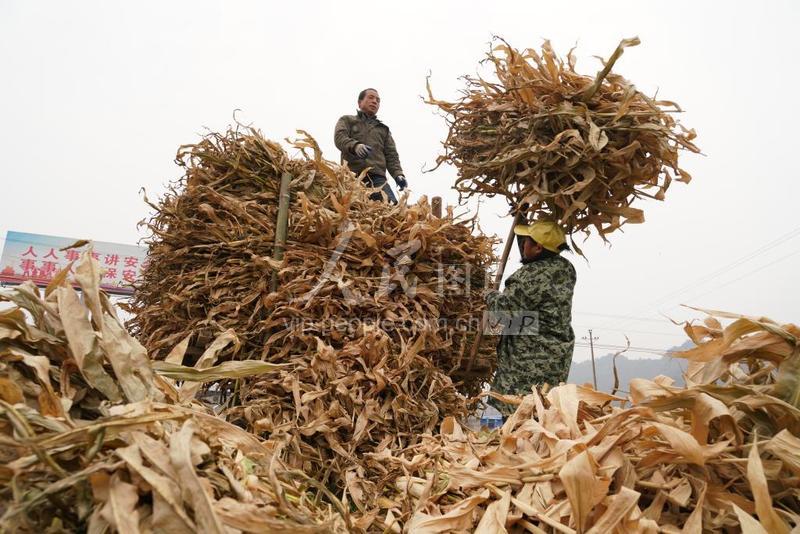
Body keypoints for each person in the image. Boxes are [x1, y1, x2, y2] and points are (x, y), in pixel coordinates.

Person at [485, 221, 576, 415]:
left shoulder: (531, 276)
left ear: (538, 247)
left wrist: (488, 294)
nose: (522, 245)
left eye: (525, 241)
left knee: (522, 417)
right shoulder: (565, 269)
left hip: (530, 362)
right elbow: (531, 317)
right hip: (556, 355)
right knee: (547, 412)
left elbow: (502, 312)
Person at [334, 88, 407, 203]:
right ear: (360, 102)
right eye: (371, 97)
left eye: (378, 100)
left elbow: (391, 156)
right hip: (351, 176)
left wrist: (398, 174)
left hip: (377, 179)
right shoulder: (347, 120)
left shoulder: (383, 130)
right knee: (351, 210)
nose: (375, 101)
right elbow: (339, 138)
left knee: (391, 208)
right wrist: (355, 146)